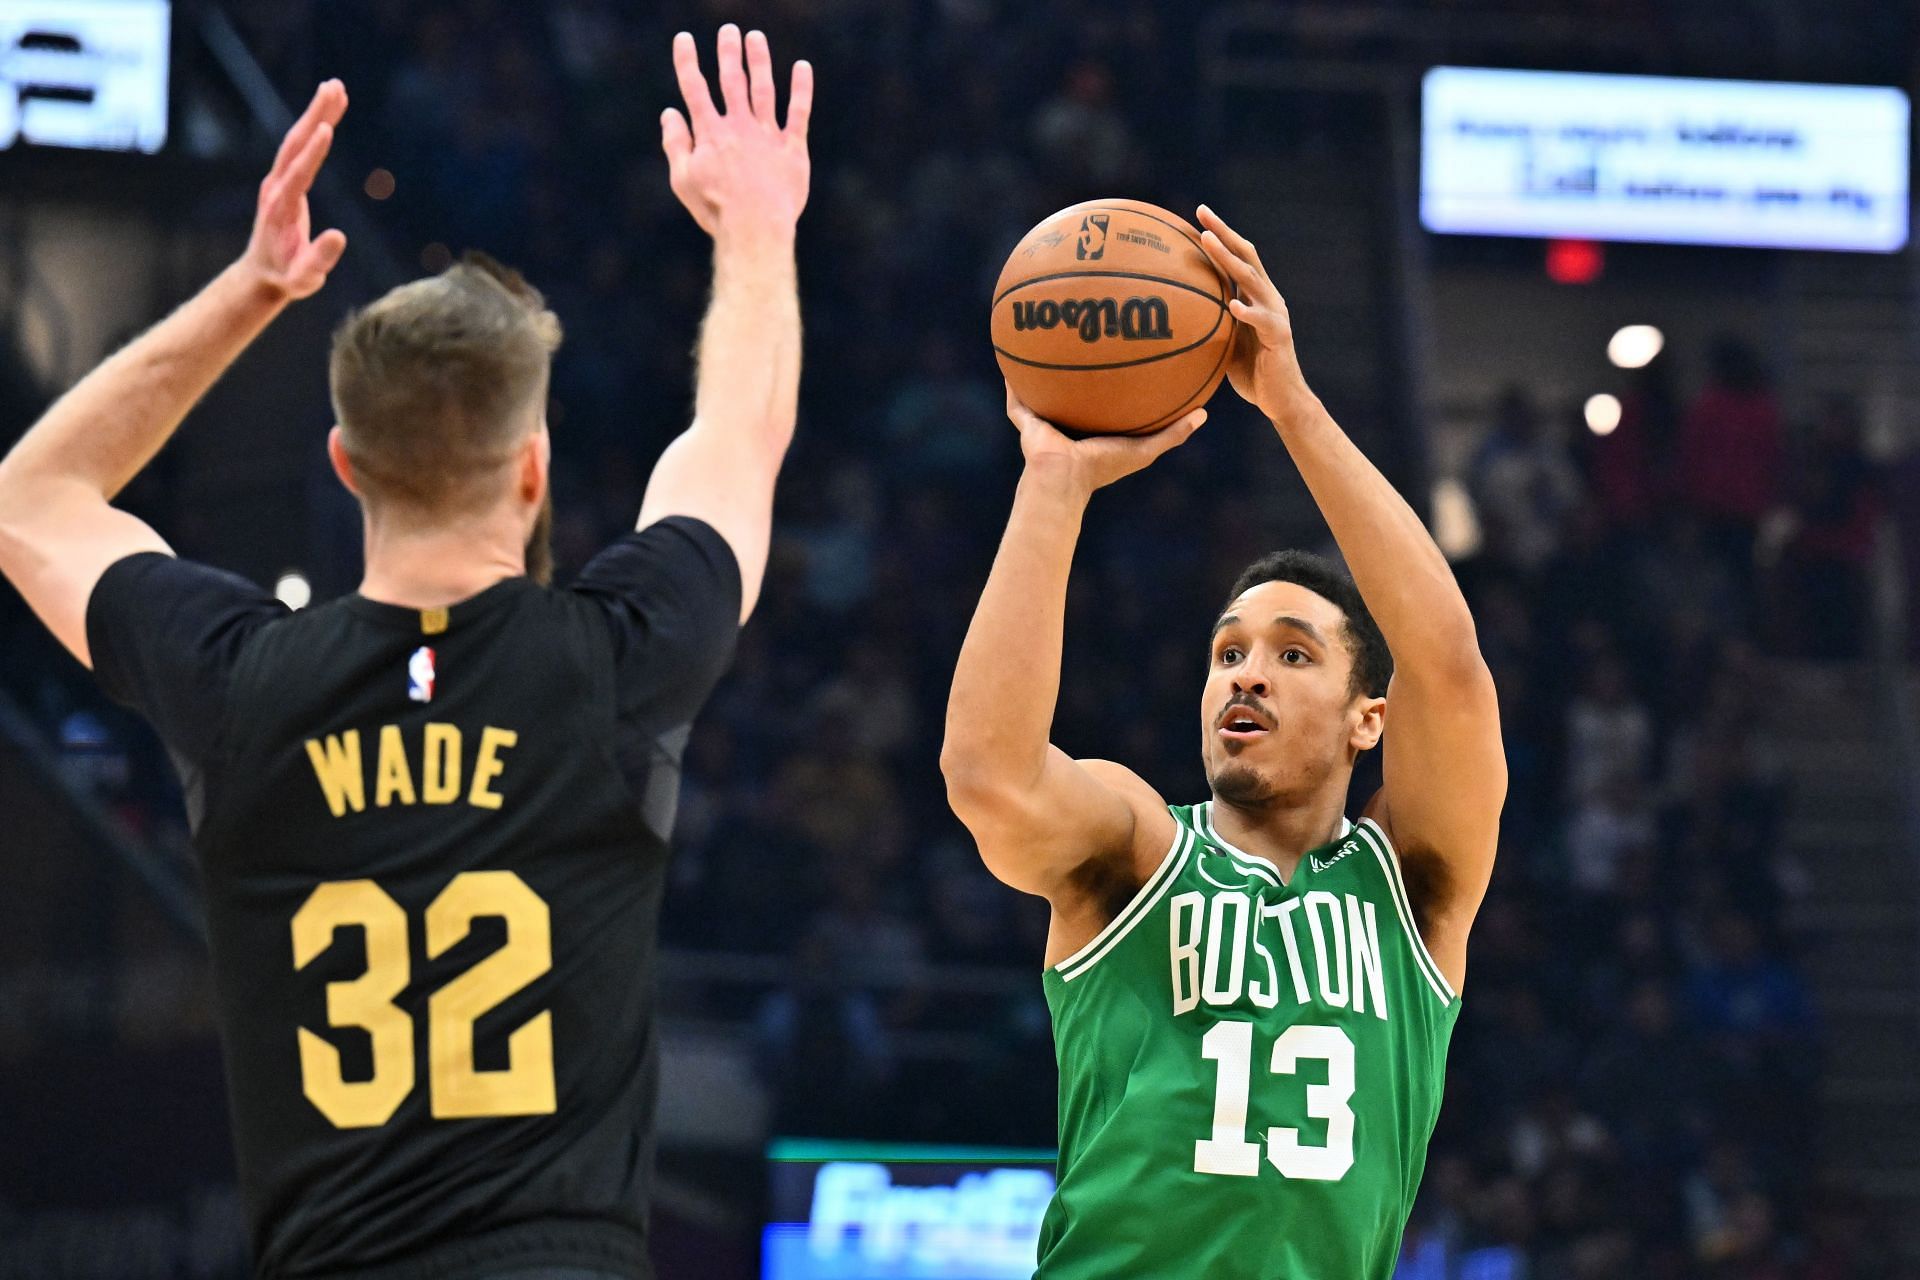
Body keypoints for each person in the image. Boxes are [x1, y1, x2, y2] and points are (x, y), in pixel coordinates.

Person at [0, 25, 810, 1280]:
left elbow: (28, 502)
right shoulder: (616, 658)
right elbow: (740, 434)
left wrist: (250, 291)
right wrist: (757, 227)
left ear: (342, 464)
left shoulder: (242, 686)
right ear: (534, 470)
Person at [941, 205, 1505, 1279]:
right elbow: (988, 775)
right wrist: (1052, 487)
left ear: (1366, 718)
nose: (1244, 670)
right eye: (1227, 650)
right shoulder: (1140, 850)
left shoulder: (1414, 889)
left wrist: (1290, 405)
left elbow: (1451, 671)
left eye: (1293, 654)